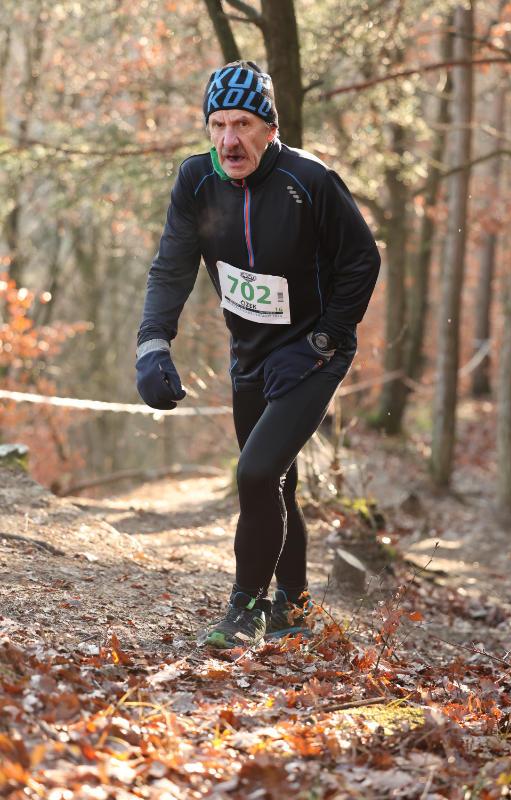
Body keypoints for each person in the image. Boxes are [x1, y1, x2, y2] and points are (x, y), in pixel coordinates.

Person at [136, 61, 380, 650]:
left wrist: (324, 339)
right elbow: (171, 267)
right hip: (250, 351)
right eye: (218, 125)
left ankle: (246, 610)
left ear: (270, 128)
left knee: (254, 472)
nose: (229, 140)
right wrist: (152, 343)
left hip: (315, 351)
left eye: (242, 124)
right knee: (275, 482)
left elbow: (361, 261)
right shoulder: (196, 180)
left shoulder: (310, 180)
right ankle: (295, 605)